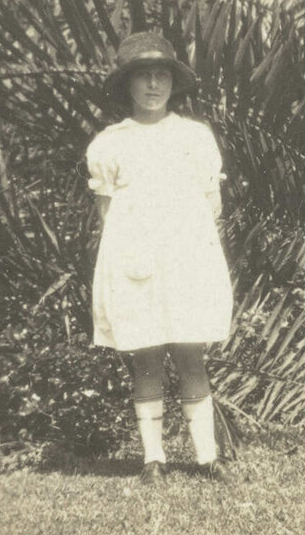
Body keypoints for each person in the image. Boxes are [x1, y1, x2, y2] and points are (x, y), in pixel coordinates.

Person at [86, 31, 234, 483]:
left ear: (173, 83)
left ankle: (207, 458)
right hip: (137, 261)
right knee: (147, 356)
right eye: (143, 77)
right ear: (127, 85)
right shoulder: (111, 143)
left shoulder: (194, 136)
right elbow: (108, 213)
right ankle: (154, 459)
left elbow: (212, 204)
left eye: (162, 76)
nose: (154, 86)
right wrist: (138, 249)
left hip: (186, 256)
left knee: (191, 354)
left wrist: (186, 245)